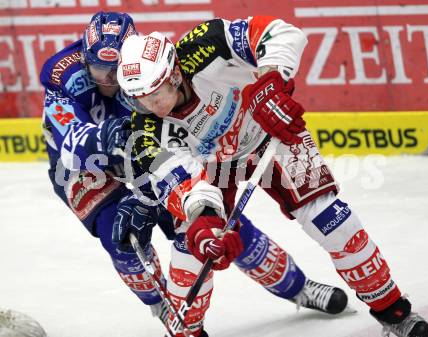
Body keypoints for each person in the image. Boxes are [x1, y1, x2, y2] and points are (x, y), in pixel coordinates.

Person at [117, 16, 428, 337]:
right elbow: (178, 177)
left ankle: (393, 310)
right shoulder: (144, 128)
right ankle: (188, 332)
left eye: (154, 95)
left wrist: (270, 82)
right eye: (138, 99)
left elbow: (280, 33)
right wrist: (204, 216)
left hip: (270, 130)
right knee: (193, 251)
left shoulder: (205, 43)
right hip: (210, 167)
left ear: (174, 74)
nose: (149, 107)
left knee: (335, 223)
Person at [39, 11, 349, 336]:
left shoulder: (145, 71)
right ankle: (164, 305)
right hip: (83, 165)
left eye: (114, 71)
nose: (108, 81)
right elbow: (69, 142)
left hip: (142, 150)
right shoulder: (61, 73)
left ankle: (298, 287)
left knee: (211, 225)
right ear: (84, 57)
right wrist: (106, 137)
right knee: (122, 240)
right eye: (98, 70)